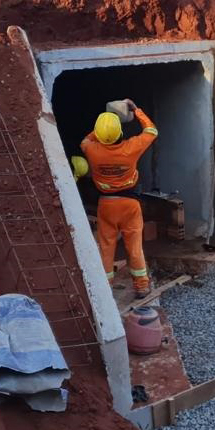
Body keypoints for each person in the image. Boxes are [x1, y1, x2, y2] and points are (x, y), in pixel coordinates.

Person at [80, 99, 158, 298]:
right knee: (134, 246)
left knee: (106, 247)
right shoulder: (131, 147)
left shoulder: (91, 149)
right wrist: (135, 110)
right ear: (120, 133)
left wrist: (101, 129)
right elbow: (151, 131)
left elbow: (86, 140)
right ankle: (141, 286)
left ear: (98, 135)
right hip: (129, 204)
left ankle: (105, 289)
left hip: (106, 204)